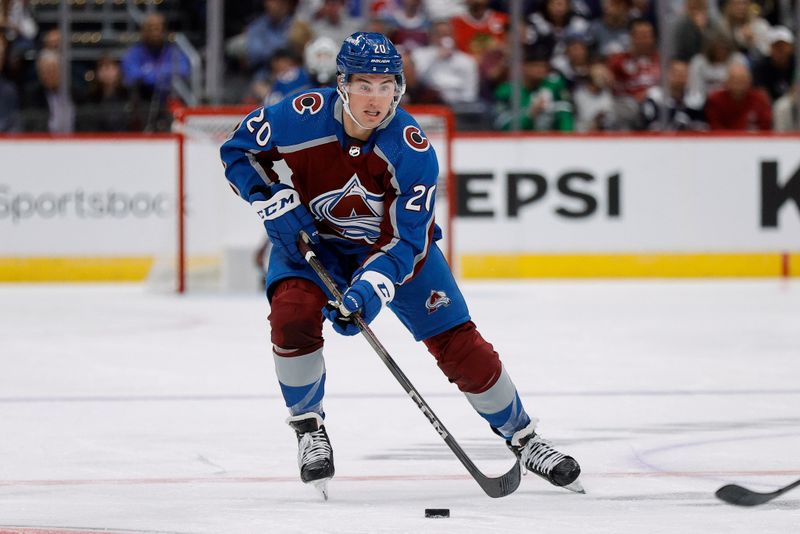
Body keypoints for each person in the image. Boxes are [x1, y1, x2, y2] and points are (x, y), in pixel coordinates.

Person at [220, 31, 582, 497]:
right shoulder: (298, 115)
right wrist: (271, 199)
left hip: (396, 251)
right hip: (314, 240)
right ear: (343, 84)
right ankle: (309, 427)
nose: (376, 98)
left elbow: (407, 241)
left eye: (387, 84)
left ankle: (525, 438)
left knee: (458, 342)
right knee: (291, 316)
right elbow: (237, 151)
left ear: (400, 87)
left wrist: (370, 289)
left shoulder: (411, 150)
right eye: (365, 85)